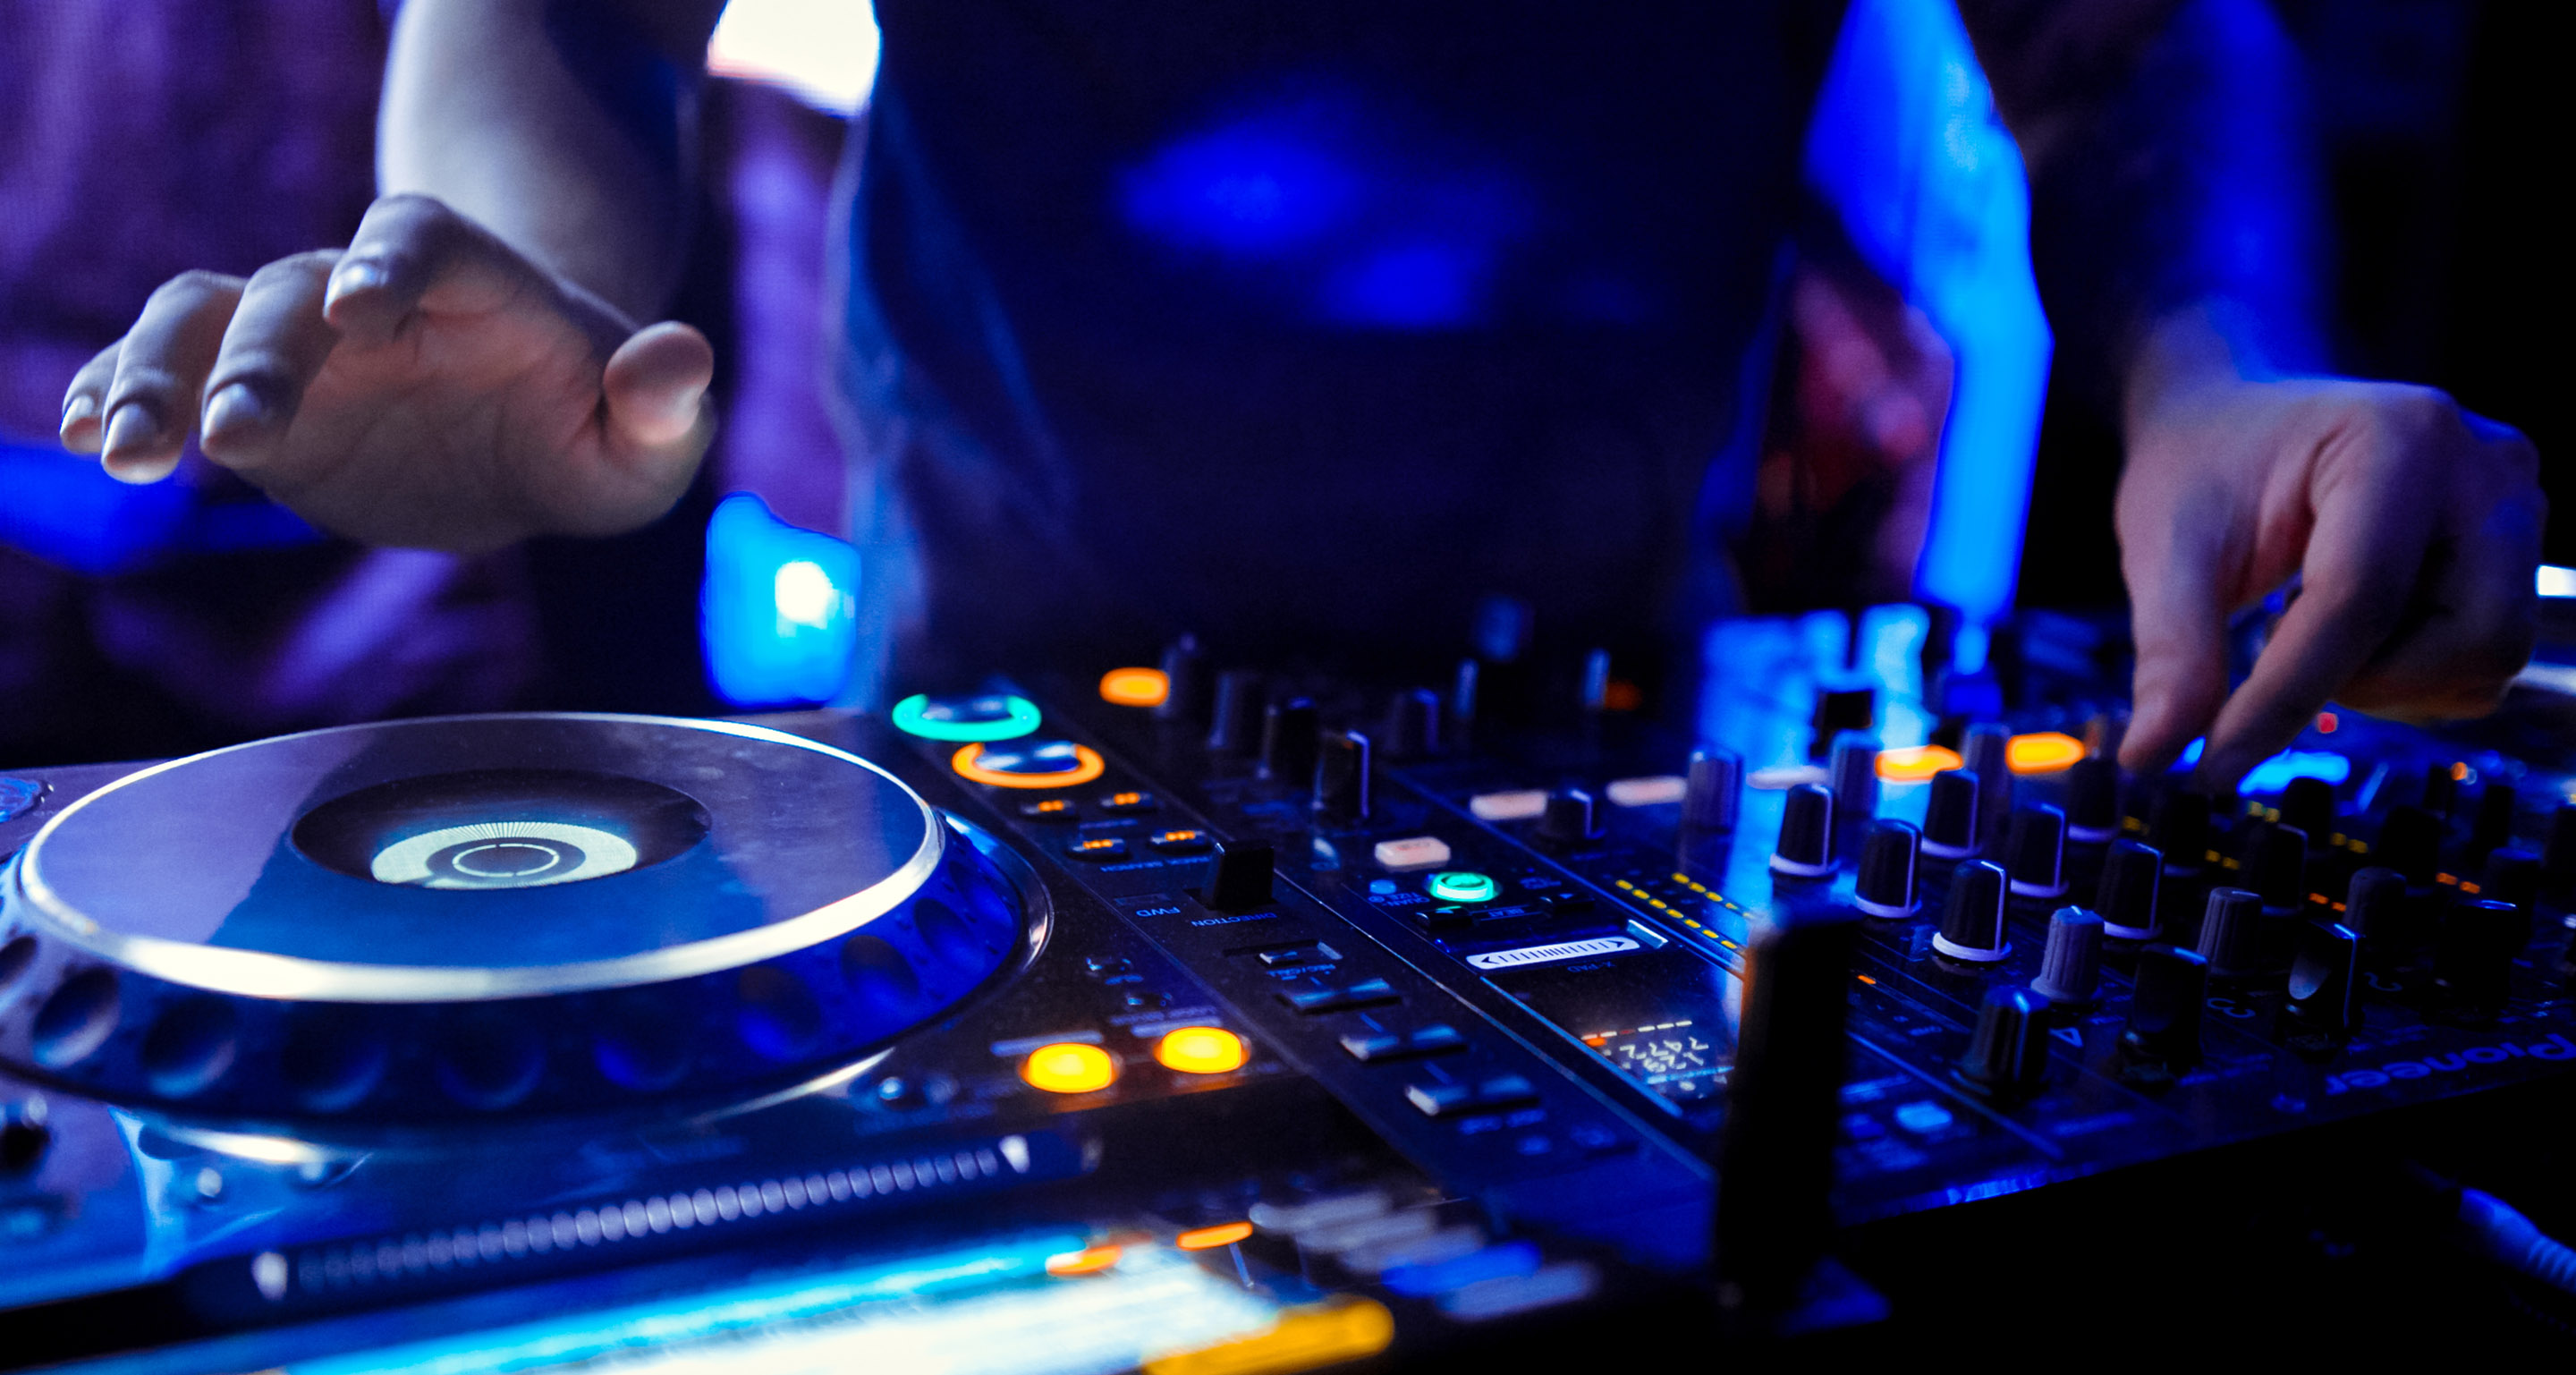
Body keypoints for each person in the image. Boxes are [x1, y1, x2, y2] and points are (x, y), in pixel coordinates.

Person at [55, 0, 2545, 791]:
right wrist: (520, 281)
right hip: (997, 710)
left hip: (1612, 722)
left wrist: (2223, 363)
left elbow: (2117, 28)